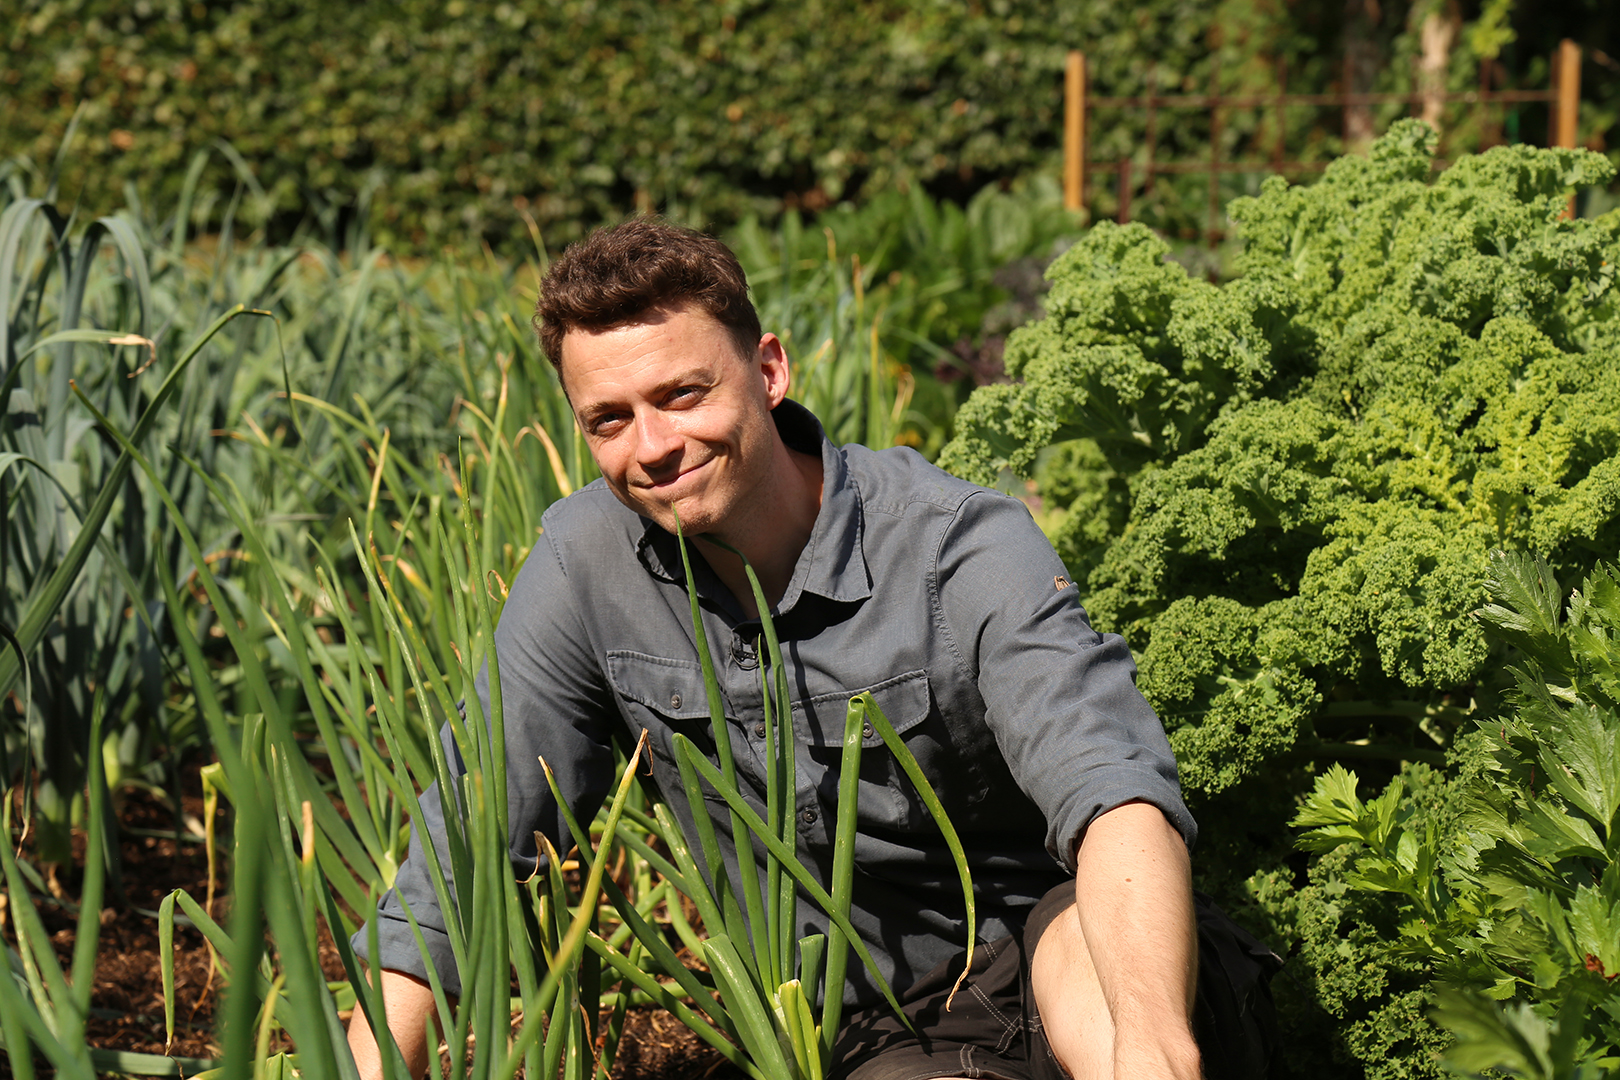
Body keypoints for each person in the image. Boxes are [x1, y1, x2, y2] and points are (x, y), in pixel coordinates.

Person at [347, 218, 1276, 1080]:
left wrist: (1152, 1039)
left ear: (770, 370)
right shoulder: (586, 571)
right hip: (885, 1026)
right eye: (611, 419)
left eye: (683, 393)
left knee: (1107, 998)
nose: (656, 445)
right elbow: (466, 851)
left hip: (1067, 943)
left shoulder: (956, 547)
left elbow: (1111, 791)